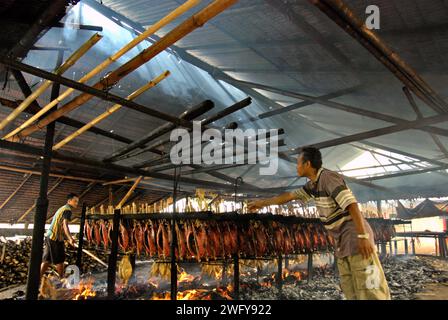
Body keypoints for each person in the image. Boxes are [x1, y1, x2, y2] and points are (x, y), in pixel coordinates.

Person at [248, 147, 390, 300]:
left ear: (307, 164)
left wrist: (362, 236)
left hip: (355, 237)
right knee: (351, 289)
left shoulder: (328, 178)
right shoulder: (313, 186)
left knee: (370, 287)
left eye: (298, 163)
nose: (296, 167)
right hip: (342, 242)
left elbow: (352, 205)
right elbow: (289, 196)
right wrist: (261, 203)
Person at [40, 193, 78, 280]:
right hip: (55, 237)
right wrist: (70, 238)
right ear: (69, 201)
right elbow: (65, 225)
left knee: (47, 260)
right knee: (60, 258)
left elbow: (60, 224)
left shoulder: (62, 208)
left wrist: (67, 238)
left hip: (50, 235)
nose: (76, 203)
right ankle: (62, 279)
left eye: (77, 202)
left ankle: (38, 279)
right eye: (75, 201)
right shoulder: (68, 210)